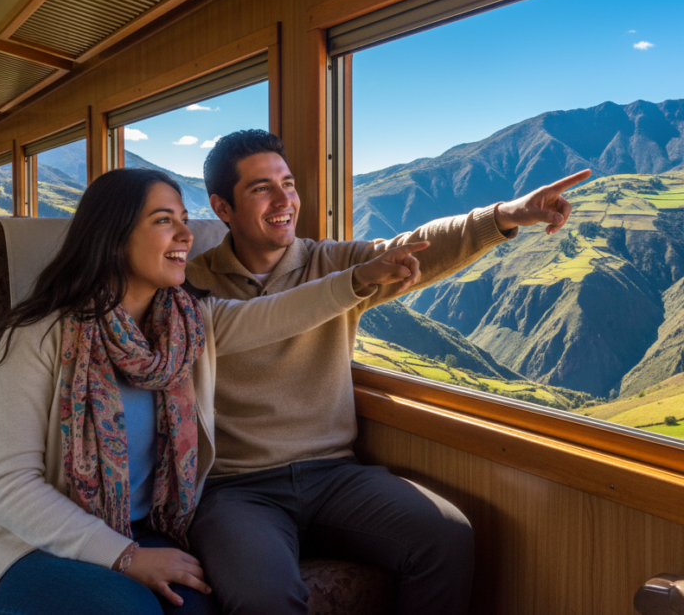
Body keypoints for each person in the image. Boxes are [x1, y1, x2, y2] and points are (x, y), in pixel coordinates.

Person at [0, 168, 427, 615]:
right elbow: (7, 488)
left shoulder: (189, 325)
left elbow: (285, 311)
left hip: (140, 529)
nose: (186, 235)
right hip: (26, 541)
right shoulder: (38, 335)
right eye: (163, 221)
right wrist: (125, 557)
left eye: (183, 219)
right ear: (113, 237)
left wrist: (362, 278)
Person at [184, 129, 590, 615]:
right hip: (236, 489)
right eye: (260, 188)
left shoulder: (328, 260)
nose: (284, 199)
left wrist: (504, 217)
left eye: (288, 184)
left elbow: (415, 247)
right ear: (222, 208)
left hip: (333, 475)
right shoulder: (192, 285)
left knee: (446, 535)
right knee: (264, 599)